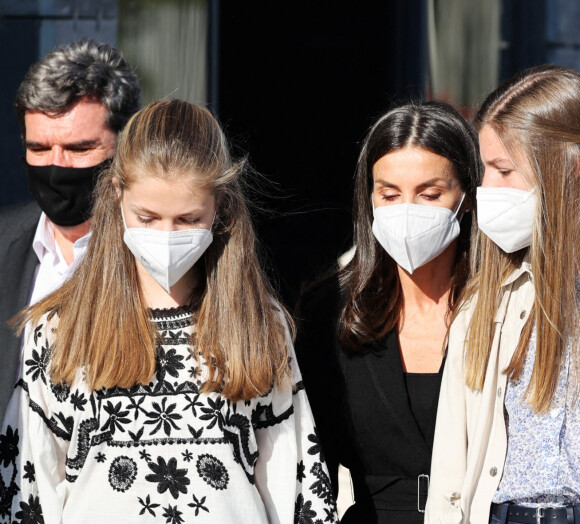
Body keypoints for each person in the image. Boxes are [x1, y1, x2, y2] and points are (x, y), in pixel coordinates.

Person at [0, 99, 338, 524]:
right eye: (147, 217)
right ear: (116, 193)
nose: (166, 235)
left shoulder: (257, 323)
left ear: (220, 205)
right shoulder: (59, 328)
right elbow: (29, 491)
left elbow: (296, 486)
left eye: (187, 219)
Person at [297, 101, 480, 523]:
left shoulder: (503, 308)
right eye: (390, 194)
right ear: (370, 197)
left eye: (430, 194)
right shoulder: (331, 310)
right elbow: (309, 462)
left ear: (466, 197)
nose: (408, 210)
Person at [426, 65, 580, 524]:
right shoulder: (488, 301)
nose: (485, 190)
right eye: (484, 169)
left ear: (570, 171)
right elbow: (453, 455)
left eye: (504, 170)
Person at [0, 38, 141, 422]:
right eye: (40, 149)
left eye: (79, 149)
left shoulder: (160, 255)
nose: (56, 167)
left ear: (123, 148)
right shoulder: (4, 243)